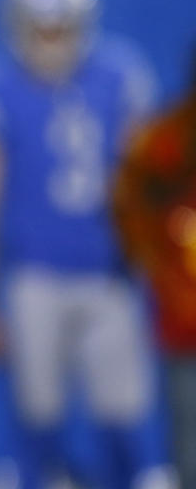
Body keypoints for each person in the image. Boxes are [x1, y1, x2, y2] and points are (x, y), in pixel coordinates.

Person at [0, 0, 175, 488]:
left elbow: (145, 187)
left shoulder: (119, 74)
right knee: (42, 418)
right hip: (41, 272)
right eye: (42, 27)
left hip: (107, 273)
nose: (52, 40)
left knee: (119, 415)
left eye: (61, 27)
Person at [112, 42, 196, 489]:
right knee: (190, 450)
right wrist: (150, 263)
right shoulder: (168, 138)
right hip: (187, 323)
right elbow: (129, 200)